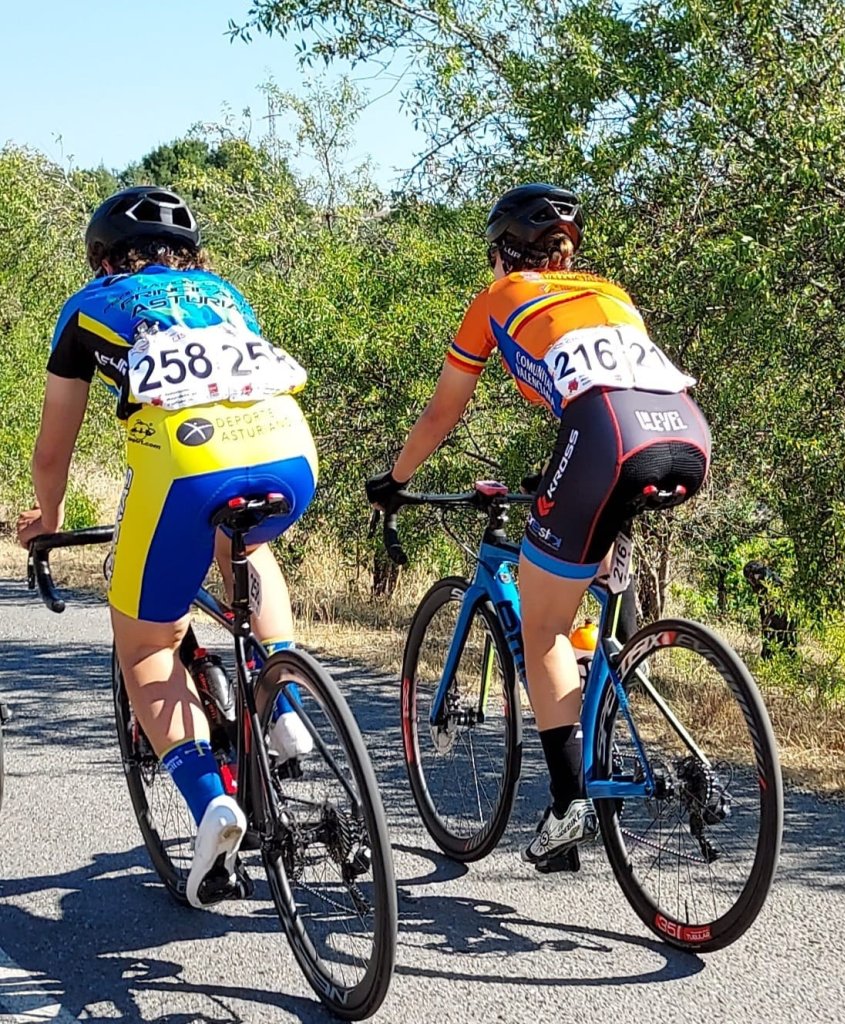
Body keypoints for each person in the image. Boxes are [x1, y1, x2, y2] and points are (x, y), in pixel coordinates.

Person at [366, 183, 711, 869]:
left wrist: (395, 480)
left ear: (503, 252)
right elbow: (612, 389)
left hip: (607, 438)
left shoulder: (498, 297)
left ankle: (567, 803)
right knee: (586, 582)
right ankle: (603, 687)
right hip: (684, 436)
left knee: (541, 622)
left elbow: (442, 413)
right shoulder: (609, 292)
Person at [17, 186, 318, 907]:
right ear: (188, 254)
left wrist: (47, 517)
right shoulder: (223, 293)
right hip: (290, 453)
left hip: (185, 464)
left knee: (147, 644)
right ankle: (281, 697)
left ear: (103, 259)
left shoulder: (91, 305)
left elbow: (54, 450)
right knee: (247, 549)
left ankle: (211, 801)